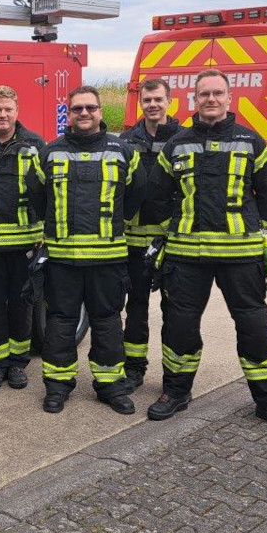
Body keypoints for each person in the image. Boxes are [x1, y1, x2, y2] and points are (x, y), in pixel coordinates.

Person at [148, 69, 267, 434]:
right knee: (180, 328)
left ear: (229, 98)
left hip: (241, 255)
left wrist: (249, 223)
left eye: (217, 93)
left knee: (254, 328)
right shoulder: (177, 145)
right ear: (194, 100)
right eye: (204, 94)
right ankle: (176, 392)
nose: (211, 100)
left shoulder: (251, 142)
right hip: (186, 256)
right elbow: (157, 196)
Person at [33, 85, 142, 415]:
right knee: (60, 324)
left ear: (99, 112)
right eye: (78, 108)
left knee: (108, 323)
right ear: (70, 112)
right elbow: (39, 200)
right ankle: (57, 385)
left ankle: (110, 386)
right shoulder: (49, 153)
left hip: (107, 260)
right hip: (63, 260)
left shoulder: (124, 152)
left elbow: (136, 197)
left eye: (90, 108)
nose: (84, 113)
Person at [0, 85, 45, 392]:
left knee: (21, 305)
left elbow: (48, 192)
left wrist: (44, 234)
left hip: (24, 245)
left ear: (17, 111)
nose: (3, 115)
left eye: (8, 109)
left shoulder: (36, 145)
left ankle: (17, 364)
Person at [119, 78, 182, 392]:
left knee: (175, 312)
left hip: (172, 243)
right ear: (140, 103)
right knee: (136, 309)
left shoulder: (185, 141)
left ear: (169, 100)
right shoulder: (126, 140)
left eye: (158, 99)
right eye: (147, 100)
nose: (152, 105)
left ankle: (173, 377)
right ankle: (134, 370)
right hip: (133, 244)